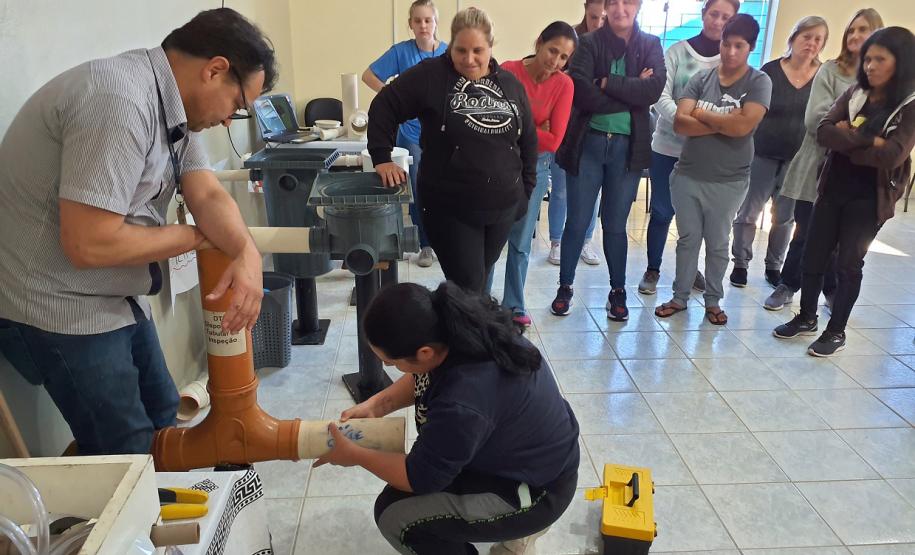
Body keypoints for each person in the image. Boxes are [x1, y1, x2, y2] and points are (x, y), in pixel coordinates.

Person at [0, 8, 274, 455]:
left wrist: (247, 252)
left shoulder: (174, 109)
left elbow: (206, 193)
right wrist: (195, 238)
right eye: (237, 106)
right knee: (125, 448)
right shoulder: (118, 99)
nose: (229, 120)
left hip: (112, 293)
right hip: (57, 302)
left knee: (164, 417)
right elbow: (89, 243)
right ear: (215, 70)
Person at [314, 281, 580, 555]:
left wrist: (355, 455)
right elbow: (423, 373)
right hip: (530, 454)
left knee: (395, 516)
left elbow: (418, 478)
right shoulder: (454, 326)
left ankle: (521, 527)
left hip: (538, 491)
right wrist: (378, 405)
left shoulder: (464, 400)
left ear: (424, 352)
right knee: (407, 496)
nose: (388, 367)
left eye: (391, 363)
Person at [368, 8, 537, 293]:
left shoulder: (510, 84)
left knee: (475, 286)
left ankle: (459, 321)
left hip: (502, 207)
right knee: (468, 287)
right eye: (461, 50)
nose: (469, 59)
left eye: (477, 50)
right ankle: (456, 322)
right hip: (451, 208)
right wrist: (381, 157)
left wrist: (526, 192)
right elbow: (385, 106)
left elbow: (528, 140)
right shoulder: (431, 75)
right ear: (451, 46)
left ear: (491, 47)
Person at [774, 26, 915, 357]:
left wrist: (850, 138)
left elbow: (893, 155)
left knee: (849, 263)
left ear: (902, 62)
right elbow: (824, 131)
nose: (870, 66)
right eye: (868, 59)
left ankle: (836, 331)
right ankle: (806, 317)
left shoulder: (909, 104)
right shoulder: (855, 93)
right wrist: (870, 140)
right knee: (814, 254)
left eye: (880, 59)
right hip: (833, 187)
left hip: (870, 197)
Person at [551, 0, 666, 321]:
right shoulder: (588, 43)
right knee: (576, 222)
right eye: (613, 2)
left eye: (627, 2)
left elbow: (653, 90)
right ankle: (565, 287)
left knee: (615, 226)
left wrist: (607, 82)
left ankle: (617, 291)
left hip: (627, 150)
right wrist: (631, 91)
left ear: (638, 6)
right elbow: (581, 92)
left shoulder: (650, 44)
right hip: (587, 144)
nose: (620, 8)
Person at [654, 14, 772, 325]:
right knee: (687, 240)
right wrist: (727, 121)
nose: (730, 52)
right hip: (688, 175)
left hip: (728, 180)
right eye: (726, 44)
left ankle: (713, 301)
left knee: (718, 243)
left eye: (739, 46)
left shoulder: (759, 82)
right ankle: (679, 297)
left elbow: (744, 127)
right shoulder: (701, 79)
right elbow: (680, 123)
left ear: (750, 47)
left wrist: (703, 114)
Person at [765, 9, 884, 311]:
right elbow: (816, 121)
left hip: (855, 171)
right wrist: (859, 130)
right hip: (815, 166)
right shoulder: (830, 70)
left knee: (840, 240)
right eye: (852, 30)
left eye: (863, 30)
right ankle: (787, 284)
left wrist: (844, 125)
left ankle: (830, 289)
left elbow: (882, 125)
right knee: (806, 232)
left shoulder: (882, 78)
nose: (855, 35)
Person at [640, 0, 739, 296]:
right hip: (667, 148)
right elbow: (660, 95)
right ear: (703, 14)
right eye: (714, 14)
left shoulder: (731, 62)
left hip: (708, 155)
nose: (718, 21)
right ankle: (653, 268)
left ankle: (688, 270)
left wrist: (702, 128)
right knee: (661, 212)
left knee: (696, 219)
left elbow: (735, 108)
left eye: (726, 17)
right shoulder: (677, 52)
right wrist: (687, 124)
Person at [729, 16, 829, 288]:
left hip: (799, 160)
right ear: (793, 38)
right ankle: (740, 263)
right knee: (748, 213)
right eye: (806, 36)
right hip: (762, 153)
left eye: (818, 39)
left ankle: (774, 266)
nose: (811, 43)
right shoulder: (770, 71)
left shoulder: (823, 76)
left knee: (784, 218)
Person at [490, 22, 576, 330]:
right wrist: (534, 128)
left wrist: (517, 124)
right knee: (490, 237)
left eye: (564, 57)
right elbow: (493, 122)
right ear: (539, 43)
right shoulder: (508, 71)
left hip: (535, 168)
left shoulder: (564, 85)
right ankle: (480, 303)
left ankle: (514, 304)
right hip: (497, 164)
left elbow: (554, 141)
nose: (556, 61)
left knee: (521, 239)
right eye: (553, 50)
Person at [362, 0, 448, 269]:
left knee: (444, 186)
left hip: (443, 133)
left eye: (428, 20)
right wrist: (392, 98)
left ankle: (445, 238)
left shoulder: (448, 53)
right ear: (410, 24)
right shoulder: (401, 52)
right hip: (411, 133)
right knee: (419, 187)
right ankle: (425, 244)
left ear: (436, 22)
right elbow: (369, 75)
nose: (423, 25)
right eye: (417, 20)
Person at [546, 0, 608, 267]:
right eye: (594, 17)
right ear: (585, 10)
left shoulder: (615, 44)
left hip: (596, 127)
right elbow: (556, 77)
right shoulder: (570, 39)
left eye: (604, 18)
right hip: (566, 125)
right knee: (560, 189)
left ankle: (586, 241)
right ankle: (556, 241)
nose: (599, 23)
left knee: (592, 191)